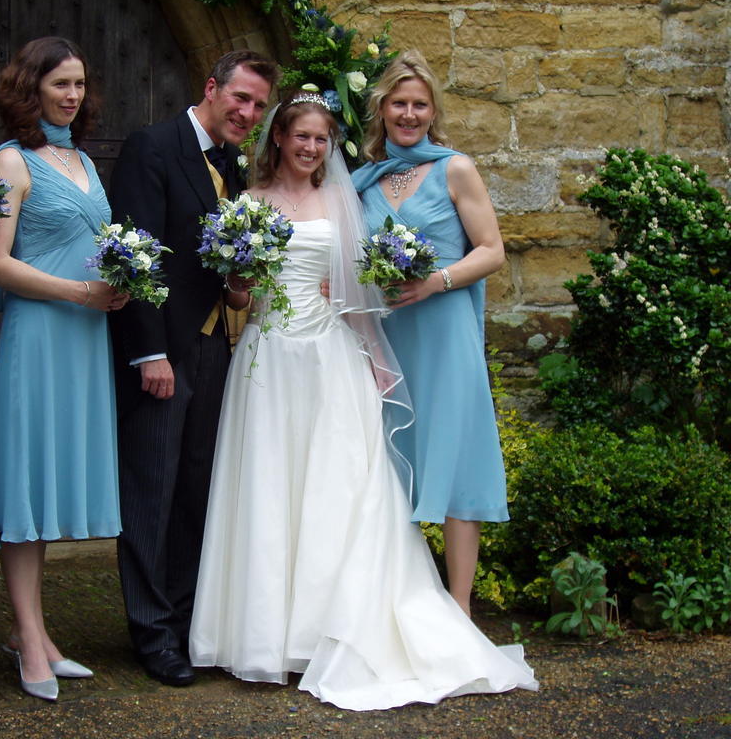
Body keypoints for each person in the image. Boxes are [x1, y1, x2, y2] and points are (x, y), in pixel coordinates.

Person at [189, 91, 537, 710]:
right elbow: (239, 300)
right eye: (301, 137)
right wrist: (238, 276)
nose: (310, 148)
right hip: (267, 360)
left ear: (331, 146)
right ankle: (266, 636)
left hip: (328, 355)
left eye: (322, 139)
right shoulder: (248, 204)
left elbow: (357, 293)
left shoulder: (344, 200)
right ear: (278, 139)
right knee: (268, 488)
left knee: (337, 489)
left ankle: (328, 630)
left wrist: (377, 364)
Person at [108, 50, 279, 687]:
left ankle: (185, 621)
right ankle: (150, 632)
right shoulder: (152, 147)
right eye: (240, 98)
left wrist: (239, 284)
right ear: (211, 88)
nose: (248, 113)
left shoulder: (234, 167)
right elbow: (139, 252)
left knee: (196, 489)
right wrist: (149, 352)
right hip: (165, 350)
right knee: (151, 490)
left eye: (259, 106)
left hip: (216, 348)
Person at [0, 37, 128, 702]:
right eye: (59, 84)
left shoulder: (82, 159)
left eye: (78, 84)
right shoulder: (11, 161)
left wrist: (121, 283)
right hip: (40, 336)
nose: (72, 95)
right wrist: (77, 293)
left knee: (52, 481)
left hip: (84, 339)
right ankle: (29, 637)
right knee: (28, 485)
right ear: (30, 89)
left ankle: (30, 633)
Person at [352, 50, 508, 617]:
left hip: (443, 332)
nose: (409, 113)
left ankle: (459, 605)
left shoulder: (455, 169)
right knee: (393, 460)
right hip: (388, 336)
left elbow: (492, 251)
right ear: (382, 109)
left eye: (419, 104)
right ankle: (401, 600)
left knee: (453, 456)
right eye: (399, 103)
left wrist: (436, 282)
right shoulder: (363, 182)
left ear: (433, 110)